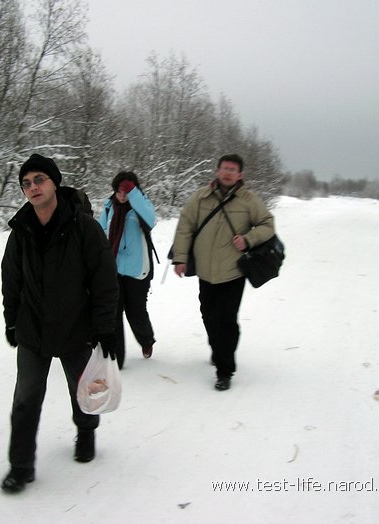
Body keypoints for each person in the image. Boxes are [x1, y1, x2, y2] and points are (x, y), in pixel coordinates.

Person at [0, 153, 118, 493]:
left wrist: (105, 327)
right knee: (25, 398)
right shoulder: (20, 232)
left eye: (39, 180)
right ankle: (20, 466)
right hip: (32, 331)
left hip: (75, 328)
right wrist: (11, 321)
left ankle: (85, 431)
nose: (33, 187)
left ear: (55, 182)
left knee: (83, 391)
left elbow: (104, 281)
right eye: (26, 183)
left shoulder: (84, 228)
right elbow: (12, 280)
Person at [171, 154, 275, 391]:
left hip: (232, 272)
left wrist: (249, 239)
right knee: (208, 315)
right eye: (224, 168)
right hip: (206, 272)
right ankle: (219, 348)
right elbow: (185, 226)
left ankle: (225, 370)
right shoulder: (201, 197)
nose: (228, 172)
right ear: (217, 171)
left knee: (226, 320)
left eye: (233, 169)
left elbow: (268, 224)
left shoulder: (248, 200)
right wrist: (180, 257)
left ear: (240, 175)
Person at [98, 171, 156, 369]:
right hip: (113, 270)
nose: (122, 195)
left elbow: (151, 221)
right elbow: (99, 233)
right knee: (114, 313)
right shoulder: (108, 207)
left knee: (136, 311)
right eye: (119, 191)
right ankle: (117, 357)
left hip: (137, 270)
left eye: (126, 191)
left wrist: (133, 194)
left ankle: (146, 340)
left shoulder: (141, 207)